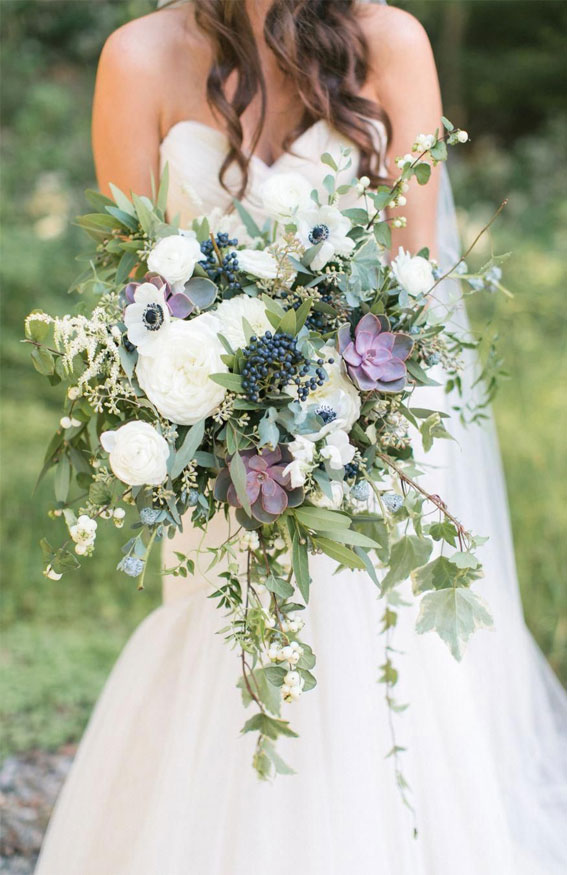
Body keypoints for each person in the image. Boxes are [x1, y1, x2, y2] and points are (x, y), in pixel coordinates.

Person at [35, 2, 567, 873]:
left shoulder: (391, 43)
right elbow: (137, 295)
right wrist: (209, 410)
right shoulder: (136, 58)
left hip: (367, 425)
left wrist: (343, 412)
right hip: (214, 443)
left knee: (369, 647)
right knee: (223, 634)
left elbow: (412, 278)